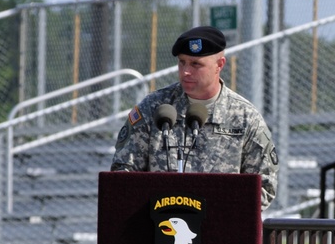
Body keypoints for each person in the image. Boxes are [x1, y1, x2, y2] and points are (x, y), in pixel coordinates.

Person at [111, 26, 279, 210]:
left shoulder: (245, 117)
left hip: (220, 231)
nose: (185, 72)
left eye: (195, 64)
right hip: (159, 227)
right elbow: (123, 173)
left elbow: (265, 186)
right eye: (182, 62)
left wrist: (221, 214)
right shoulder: (154, 108)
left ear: (220, 64)